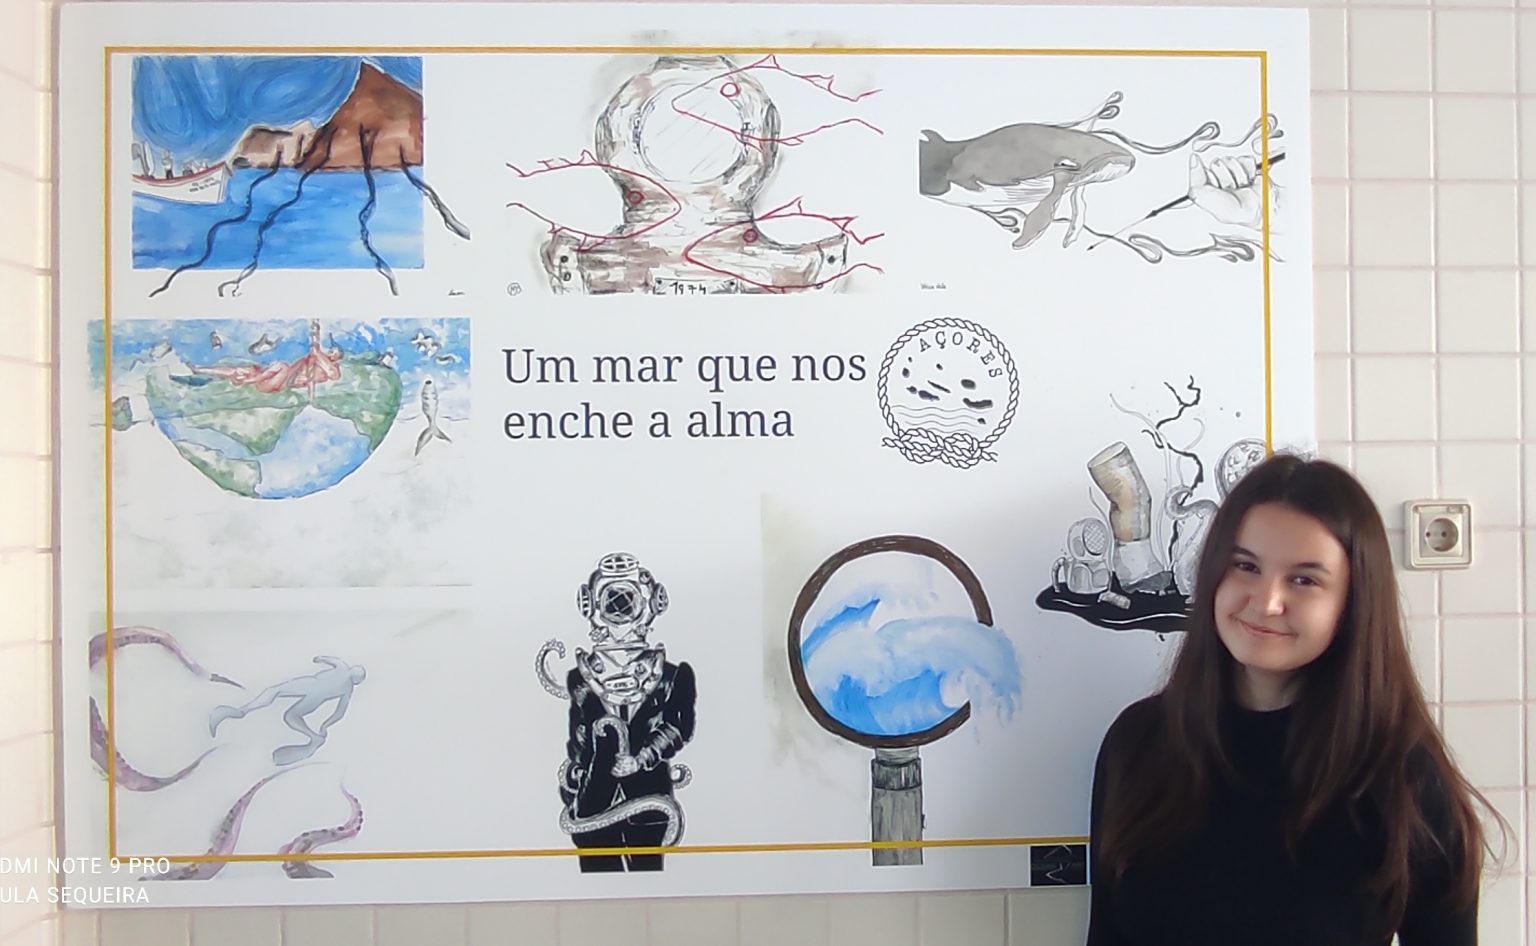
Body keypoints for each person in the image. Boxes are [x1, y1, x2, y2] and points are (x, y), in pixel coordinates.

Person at [1086, 453, 1510, 945]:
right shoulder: (1138, 742)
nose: (1266, 602)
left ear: (1352, 602)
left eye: (1304, 579)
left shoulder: (1403, 773)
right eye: (1245, 566)